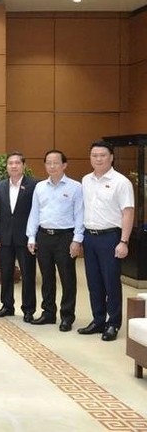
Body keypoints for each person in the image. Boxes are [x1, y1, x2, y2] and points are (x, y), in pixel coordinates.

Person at [78, 140, 134, 342]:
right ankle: (98, 320)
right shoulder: (86, 180)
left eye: (102, 155)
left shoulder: (121, 182)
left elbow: (128, 212)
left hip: (111, 237)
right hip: (89, 237)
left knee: (111, 282)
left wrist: (124, 241)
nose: (98, 159)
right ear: (90, 158)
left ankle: (113, 323)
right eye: (94, 155)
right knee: (94, 282)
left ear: (111, 157)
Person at [26, 150, 84, 332]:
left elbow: (80, 215)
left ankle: (67, 316)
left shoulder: (75, 187)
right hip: (44, 236)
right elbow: (35, 213)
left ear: (64, 165)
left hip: (65, 237)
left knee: (67, 278)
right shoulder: (40, 187)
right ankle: (48, 313)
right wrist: (32, 236)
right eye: (48, 163)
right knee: (47, 277)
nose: (52, 166)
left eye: (56, 163)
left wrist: (77, 240)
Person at [0, 152, 37, 322]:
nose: (14, 166)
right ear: (6, 166)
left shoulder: (34, 185)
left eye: (17, 163)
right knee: (6, 273)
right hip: (4, 237)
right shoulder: (0, 186)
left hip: (26, 237)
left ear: (23, 165)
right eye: (10, 163)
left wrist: (34, 236)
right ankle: (7, 305)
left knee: (28, 274)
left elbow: (36, 212)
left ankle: (28, 309)